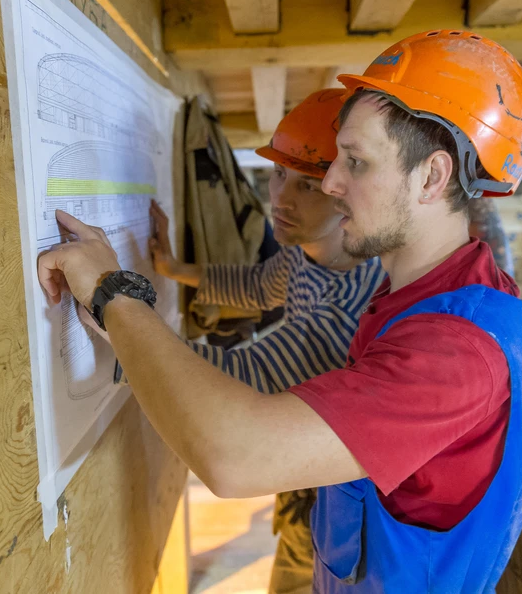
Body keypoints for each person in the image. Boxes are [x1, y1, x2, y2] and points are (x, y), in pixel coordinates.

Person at [37, 30, 522, 592]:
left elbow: (234, 457)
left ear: (432, 176)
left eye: (355, 162)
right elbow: (258, 285)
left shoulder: (453, 352)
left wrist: (115, 297)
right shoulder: (435, 298)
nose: (330, 182)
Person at [147, 89, 384, 594]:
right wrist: (172, 269)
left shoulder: (344, 311)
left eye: (309, 187)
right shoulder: (307, 253)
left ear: (347, 191)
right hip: (307, 484)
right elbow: (258, 286)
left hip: (337, 505)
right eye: (279, 175)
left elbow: (230, 374)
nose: (280, 197)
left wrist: (111, 311)